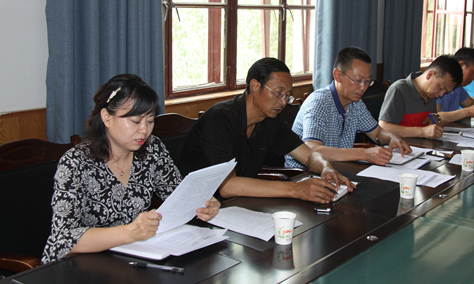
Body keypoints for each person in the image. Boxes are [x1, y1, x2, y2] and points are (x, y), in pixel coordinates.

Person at [42, 74, 220, 264]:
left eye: (150, 121)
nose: (144, 130)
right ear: (106, 117)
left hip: (128, 258)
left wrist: (202, 204)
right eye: (135, 121)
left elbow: (178, 195)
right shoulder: (75, 163)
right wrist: (129, 232)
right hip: (77, 265)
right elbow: (63, 238)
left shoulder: (152, 149)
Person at [180, 58, 355, 204]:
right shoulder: (219, 120)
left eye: (287, 95)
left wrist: (326, 167)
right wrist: (296, 189)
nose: (283, 102)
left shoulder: (271, 120)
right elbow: (227, 186)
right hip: (198, 208)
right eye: (278, 93)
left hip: (239, 205)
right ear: (255, 87)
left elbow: (308, 156)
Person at [284, 47, 411, 168]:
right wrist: (364, 154)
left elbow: (377, 132)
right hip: (304, 174)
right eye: (357, 80)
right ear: (338, 75)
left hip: (338, 168)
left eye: (367, 81)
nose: (363, 88)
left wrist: (392, 138)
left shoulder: (355, 103)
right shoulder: (319, 103)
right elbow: (313, 149)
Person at [378, 55, 463, 139]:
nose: (441, 94)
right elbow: (384, 127)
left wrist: (434, 120)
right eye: (441, 88)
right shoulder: (399, 90)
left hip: (422, 145)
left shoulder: (431, 94)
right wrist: (422, 132)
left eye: (446, 92)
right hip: (400, 145)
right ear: (430, 75)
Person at [436, 47, 474, 124]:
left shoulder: (458, 88)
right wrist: (469, 111)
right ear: (461, 65)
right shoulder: (439, 85)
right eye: (473, 72)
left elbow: (471, 104)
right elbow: (436, 117)